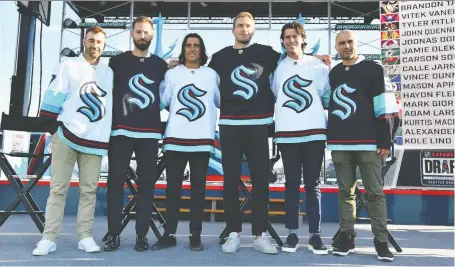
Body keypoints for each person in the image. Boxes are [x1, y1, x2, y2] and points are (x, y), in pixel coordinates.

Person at [207, 11, 330, 254]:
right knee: (230, 181)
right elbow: (206, 82)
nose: (244, 29)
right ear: (233, 30)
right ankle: (233, 233)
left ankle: (259, 234)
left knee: (261, 182)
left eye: (248, 26)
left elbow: (295, 59)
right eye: (240, 25)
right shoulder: (219, 58)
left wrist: (315, 57)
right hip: (230, 126)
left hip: (258, 126)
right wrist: (175, 63)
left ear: (254, 30)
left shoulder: (267, 54)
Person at [33, 26, 113, 256]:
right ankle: (49, 237)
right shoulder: (68, 65)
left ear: (104, 45)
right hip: (66, 136)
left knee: (89, 190)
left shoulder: (109, 74)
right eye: (91, 40)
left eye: (99, 41)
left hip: (95, 140)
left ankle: (85, 236)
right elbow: (52, 98)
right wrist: (54, 131)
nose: (95, 45)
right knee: (58, 189)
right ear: (83, 41)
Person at [325, 30, 399, 262]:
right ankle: (347, 237)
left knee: (375, 194)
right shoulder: (334, 73)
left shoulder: (374, 69)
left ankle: (381, 241)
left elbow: (385, 105)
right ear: (336, 48)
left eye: (350, 42)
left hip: (369, 143)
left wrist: (385, 139)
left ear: (356, 44)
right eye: (341, 43)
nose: (346, 46)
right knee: (345, 193)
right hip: (340, 142)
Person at [104, 16, 168, 252]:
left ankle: (142, 235)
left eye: (146, 32)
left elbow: (168, 96)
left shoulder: (161, 65)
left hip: (150, 133)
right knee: (114, 184)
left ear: (152, 35)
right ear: (131, 34)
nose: (143, 36)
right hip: (121, 131)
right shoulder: (117, 63)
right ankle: (113, 233)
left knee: (147, 186)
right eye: (138, 32)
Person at [151, 33, 220, 251]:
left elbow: (219, 101)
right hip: (175, 138)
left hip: (202, 139)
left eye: (196, 46)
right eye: (188, 45)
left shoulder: (212, 75)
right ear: (183, 49)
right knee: (173, 189)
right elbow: (164, 101)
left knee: (198, 189)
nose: (192, 49)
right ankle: (169, 232)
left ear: (202, 49)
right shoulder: (172, 75)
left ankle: (195, 234)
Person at [271, 22, 329, 255]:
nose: (291, 40)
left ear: (303, 39)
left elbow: (325, 95)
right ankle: (292, 234)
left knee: (313, 185)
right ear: (282, 41)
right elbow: (276, 93)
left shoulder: (318, 66)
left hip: (314, 133)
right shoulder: (277, 68)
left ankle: (315, 235)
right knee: (291, 185)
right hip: (287, 134)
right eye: (286, 37)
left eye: (295, 36)